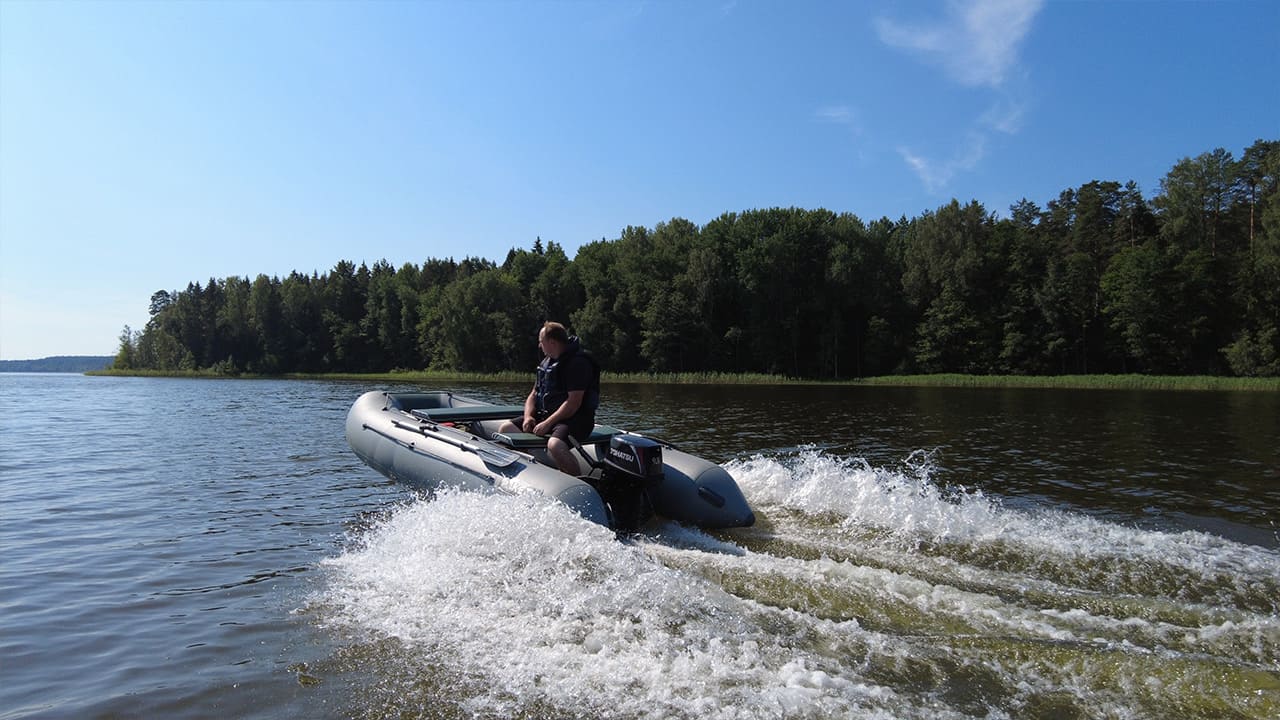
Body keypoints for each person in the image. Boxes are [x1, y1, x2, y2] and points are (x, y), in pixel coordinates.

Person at [498, 321, 600, 475]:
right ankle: (531, 471)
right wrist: (528, 417)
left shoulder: (578, 363)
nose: (540, 346)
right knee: (506, 429)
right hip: (547, 416)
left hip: (576, 419)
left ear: (552, 342)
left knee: (555, 445)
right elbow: (534, 393)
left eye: (541, 341)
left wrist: (547, 423)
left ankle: (579, 482)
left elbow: (573, 403)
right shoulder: (546, 362)